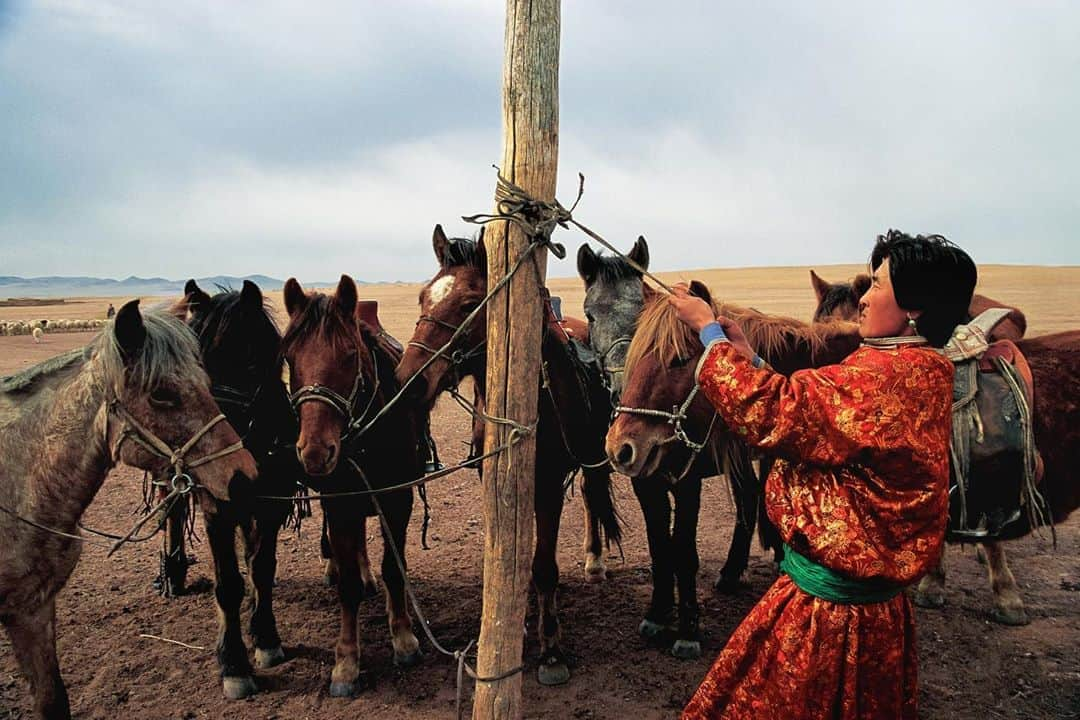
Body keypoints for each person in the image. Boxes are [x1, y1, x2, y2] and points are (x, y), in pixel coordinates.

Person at [672, 230, 976, 720]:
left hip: (831, 617)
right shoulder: (922, 367)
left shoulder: (881, 377)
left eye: (877, 285)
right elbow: (823, 415)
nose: (863, 296)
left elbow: (771, 412)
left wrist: (707, 331)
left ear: (914, 308)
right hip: (877, 612)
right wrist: (751, 357)